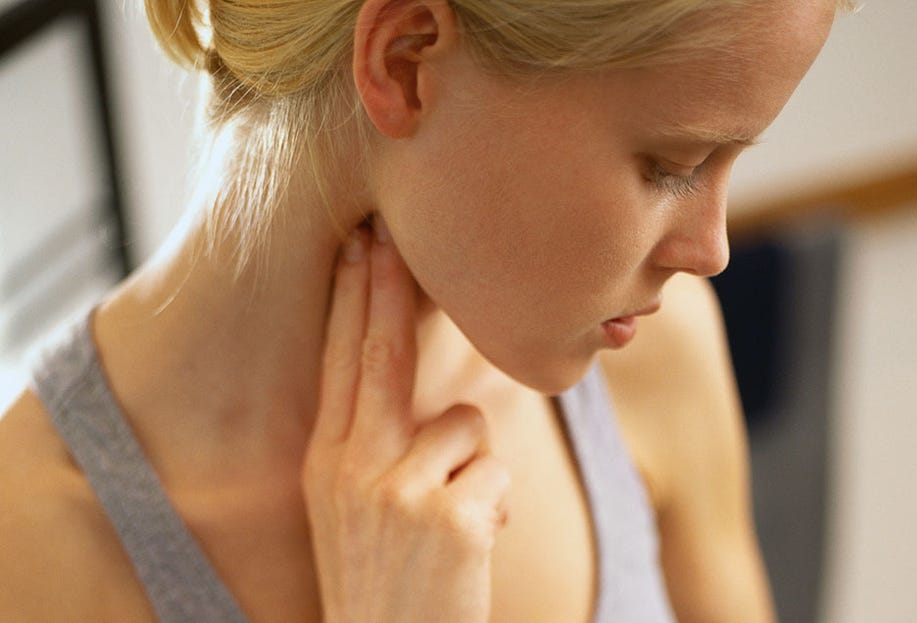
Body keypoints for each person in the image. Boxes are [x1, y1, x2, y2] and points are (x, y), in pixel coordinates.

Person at [0, 0, 849, 621]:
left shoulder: (658, 355)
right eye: (673, 163)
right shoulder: (28, 555)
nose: (711, 250)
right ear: (404, 60)